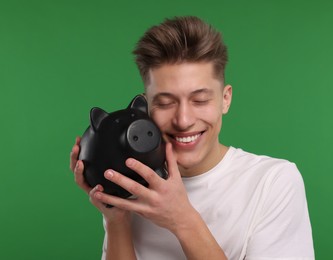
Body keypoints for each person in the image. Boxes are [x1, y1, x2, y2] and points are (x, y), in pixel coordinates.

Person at [70, 16, 315, 260]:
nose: (183, 120)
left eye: (200, 100)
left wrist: (183, 220)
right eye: (165, 103)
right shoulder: (134, 184)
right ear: (146, 107)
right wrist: (117, 217)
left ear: (225, 99)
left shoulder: (273, 183)